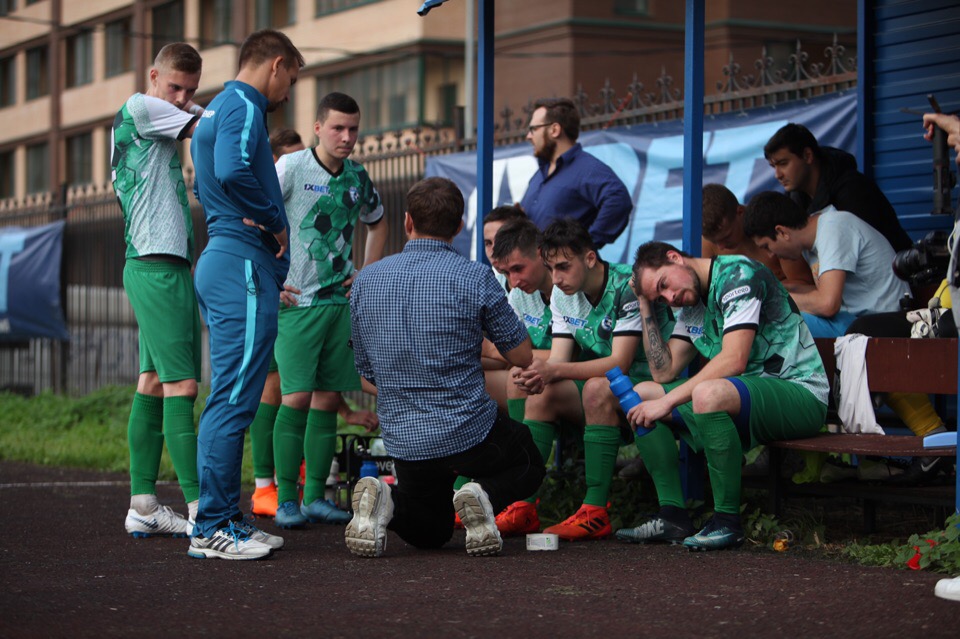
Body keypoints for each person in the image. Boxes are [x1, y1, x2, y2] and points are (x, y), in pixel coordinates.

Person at [345, 177, 545, 558]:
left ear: (407, 221)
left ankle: (387, 499)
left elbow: (367, 373)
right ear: (459, 226)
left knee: (430, 531)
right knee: (528, 461)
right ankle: (482, 493)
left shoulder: (366, 281)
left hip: (404, 438)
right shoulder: (475, 276)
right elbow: (522, 356)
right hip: (469, 431)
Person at [618, 242, 828, 550]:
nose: (669, 297)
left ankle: (727, 522)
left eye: (664, 284)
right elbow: (663, 372)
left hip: (801, 393)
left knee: (707, 393)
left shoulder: (738, 274)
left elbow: (734, 360)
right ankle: (673, 515)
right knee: (642, 394)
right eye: (660, 297)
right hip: (748, 396)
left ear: (675, 258)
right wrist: (644, 303)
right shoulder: (690, 303)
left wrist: (667, 402)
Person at [188, 29, 303, 560]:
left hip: (228, 259)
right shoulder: (244, 104)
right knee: (234, 398)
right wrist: (273, 219)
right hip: (241, 263)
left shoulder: (215, 108)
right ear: (275, 65)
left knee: (232, 394)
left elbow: (205, 183)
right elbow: (233, 170)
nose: (287, 93)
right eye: (290, 79)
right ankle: (212, 525)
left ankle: (223, 517)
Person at [510, 218, 674, 541]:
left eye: (563, 267)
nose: (556, 279)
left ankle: (595, 509)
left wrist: (554, 370)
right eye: (551, 269)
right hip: (610, 388)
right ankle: (522, 504)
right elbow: (558, 359)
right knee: (541, 394)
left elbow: (619, 363)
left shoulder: (626, 284)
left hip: (656, 383)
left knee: (598, 387)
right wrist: (538, 374)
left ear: (589, 258)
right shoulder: (562, 294)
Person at [270, 92, 388, 529]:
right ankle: (285, 499)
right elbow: (255, 214)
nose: (347, 137)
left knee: (326, 397)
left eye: (353, 129)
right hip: (296, 302)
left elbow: (378, 221)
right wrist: (270, 274)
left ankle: (315, 497)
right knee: (296, 397)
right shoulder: (290, 166)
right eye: (338, 128)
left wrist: (367, 272)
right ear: (317, 127)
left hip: (340, 302)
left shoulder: (358, 175)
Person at [112, 42, 204, 539]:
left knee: (151, 382)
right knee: (182, 387)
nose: (183, 99)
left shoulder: (162, 114)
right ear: (153, 77)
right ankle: (203, 514)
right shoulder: (142, 106)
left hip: (163, 265)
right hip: (156, 266)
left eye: (190, 91)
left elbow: (201, 119)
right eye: (175, 87)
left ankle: (143, 504)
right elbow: (211, 126)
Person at [743, 191, 909, 338]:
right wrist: (774, 287)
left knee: (774, 319)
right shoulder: (813, 238)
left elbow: (828, 304)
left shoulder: (833, 229)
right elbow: (820, 295)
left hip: (881, 324)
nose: (770, 255)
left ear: (781, 232)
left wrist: (774, 297)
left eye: (767, 246)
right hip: (855, 320)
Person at [248, 127, 306, 518]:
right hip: (273, 297)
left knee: (299, 388)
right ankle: (262, 487)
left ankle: (298, 477)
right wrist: (271, 280)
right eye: (292, 158)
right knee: (271, 387)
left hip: (305, 299)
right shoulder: (262, 193)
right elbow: (250, 231)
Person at [763, 123, 912, 253]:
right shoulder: (794, 200)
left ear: (808, 156)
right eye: (773, 166)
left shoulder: (854, 189)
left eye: (783, 163)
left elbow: (861, 252)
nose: (777, 175)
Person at [520, 98, 632, 249]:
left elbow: (618, 200)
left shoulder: (587, 169)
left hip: (565, 263)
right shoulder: (539, 175)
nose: (529, 136)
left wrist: (584, 246)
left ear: (554, 130)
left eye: (533, 129)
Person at [700, 183, 812, 284]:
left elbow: (802, 283)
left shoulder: (771, 224)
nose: (721, 246)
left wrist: (760, 293)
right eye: (714, 242)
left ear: (740, 212)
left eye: (727, 237)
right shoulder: (707, 245)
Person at [483, 204, 527, 292]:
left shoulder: (536, 285)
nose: (493, 252)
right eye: (488, 243)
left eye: (501, 241)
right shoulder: (492, 288)